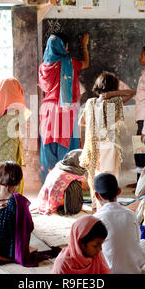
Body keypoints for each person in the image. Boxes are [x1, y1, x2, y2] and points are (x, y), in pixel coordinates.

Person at [0, 161, 59, 266]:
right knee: (25, 242)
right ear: (18, 182)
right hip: (11, 250)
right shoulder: (18, 201)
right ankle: (11, 256)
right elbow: (29, 227)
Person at [101, 45, 145, 183]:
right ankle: (140, 183)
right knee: (139, 153)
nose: (139, 57)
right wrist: (120, 90)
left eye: (142, 55)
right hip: (142, 120)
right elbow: (140, 95)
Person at [38, 32, 90, 183]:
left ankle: (49, 184)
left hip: (48, 109)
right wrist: (84, 46)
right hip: (66, 107)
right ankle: (68, 183)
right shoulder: (69, 62)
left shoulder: (43, 66)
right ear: (63, 46)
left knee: (48, 145)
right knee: (68, 145)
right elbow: (85, 63)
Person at [79, 72, 125, 210]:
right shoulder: (116, 102)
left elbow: (81, 122)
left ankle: (97, 205)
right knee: (111, 177)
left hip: (93, 145)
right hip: (109, 144)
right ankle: (110, 205)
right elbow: (115, 121)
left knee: (96, 175)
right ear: (114, 87)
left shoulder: (90, 103)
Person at [93, 173, 145, 273]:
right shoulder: (131, 215)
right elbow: (137, 241)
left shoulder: (96, 218)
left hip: (107, 270)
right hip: (133, 270)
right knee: (144, 242)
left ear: (97, 195)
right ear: (119, 191)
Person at [0, 78, 29, 195]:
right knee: (13, 173)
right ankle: (16, 198)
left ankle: (0, 196)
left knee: (1, 172)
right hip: (12, 148)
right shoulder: (19, 109)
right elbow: (23, 130)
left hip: (0, 146)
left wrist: (4, 127)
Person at [38, 149, 88, 215]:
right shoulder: (71, 173)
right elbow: (86, 185)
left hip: (44, 200)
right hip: (57, 205)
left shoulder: (59, 167)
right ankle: (72, 208)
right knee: (75, 185)